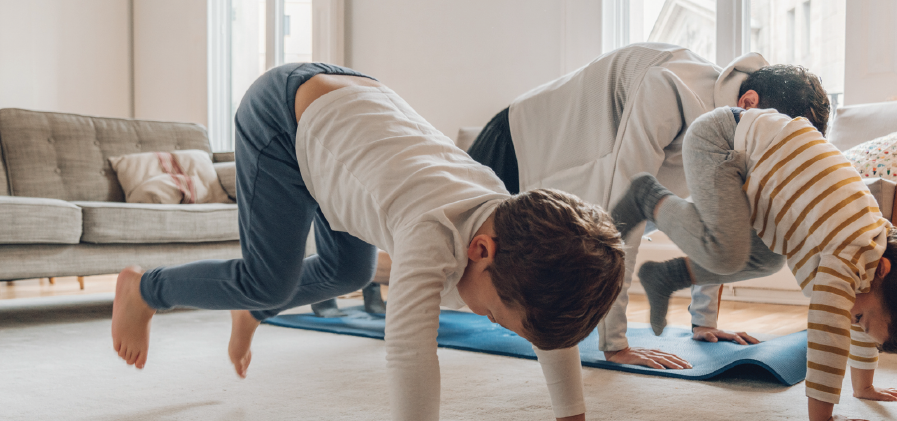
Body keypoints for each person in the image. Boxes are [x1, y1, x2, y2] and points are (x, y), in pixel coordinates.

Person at [110, 63, 628, 421]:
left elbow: (548, 332)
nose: (489, 320)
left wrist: (572, 414)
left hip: (350, 121)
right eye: (494, 316)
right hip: (284, 118)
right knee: (266, 280)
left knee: (348, 273)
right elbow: (410, 350)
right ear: (480, 251)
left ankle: (253, 311)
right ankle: (146, 289)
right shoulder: (432, 232)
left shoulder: (505, 220)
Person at [466, 42, 831, 365]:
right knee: (456, 272)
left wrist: (704, 322)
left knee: (767, 251)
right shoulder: (668, 88)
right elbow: (623, 211)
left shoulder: (749, 126)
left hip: (568, 172)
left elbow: (727, 223)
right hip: (515, 144)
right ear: (748, 103)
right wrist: (615, 344)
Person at [610, 106, 897, 421]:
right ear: (883, 272)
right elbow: (828, 334)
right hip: (725, 143)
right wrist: (822, 417)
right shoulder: (850, 254)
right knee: (727, 253)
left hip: (759, 168)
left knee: (762, 261)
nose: (852, 321)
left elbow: (859, 327)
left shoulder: (873, 254)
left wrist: (864, 388)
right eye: (860, 319)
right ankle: (647, 195)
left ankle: (666, 275)